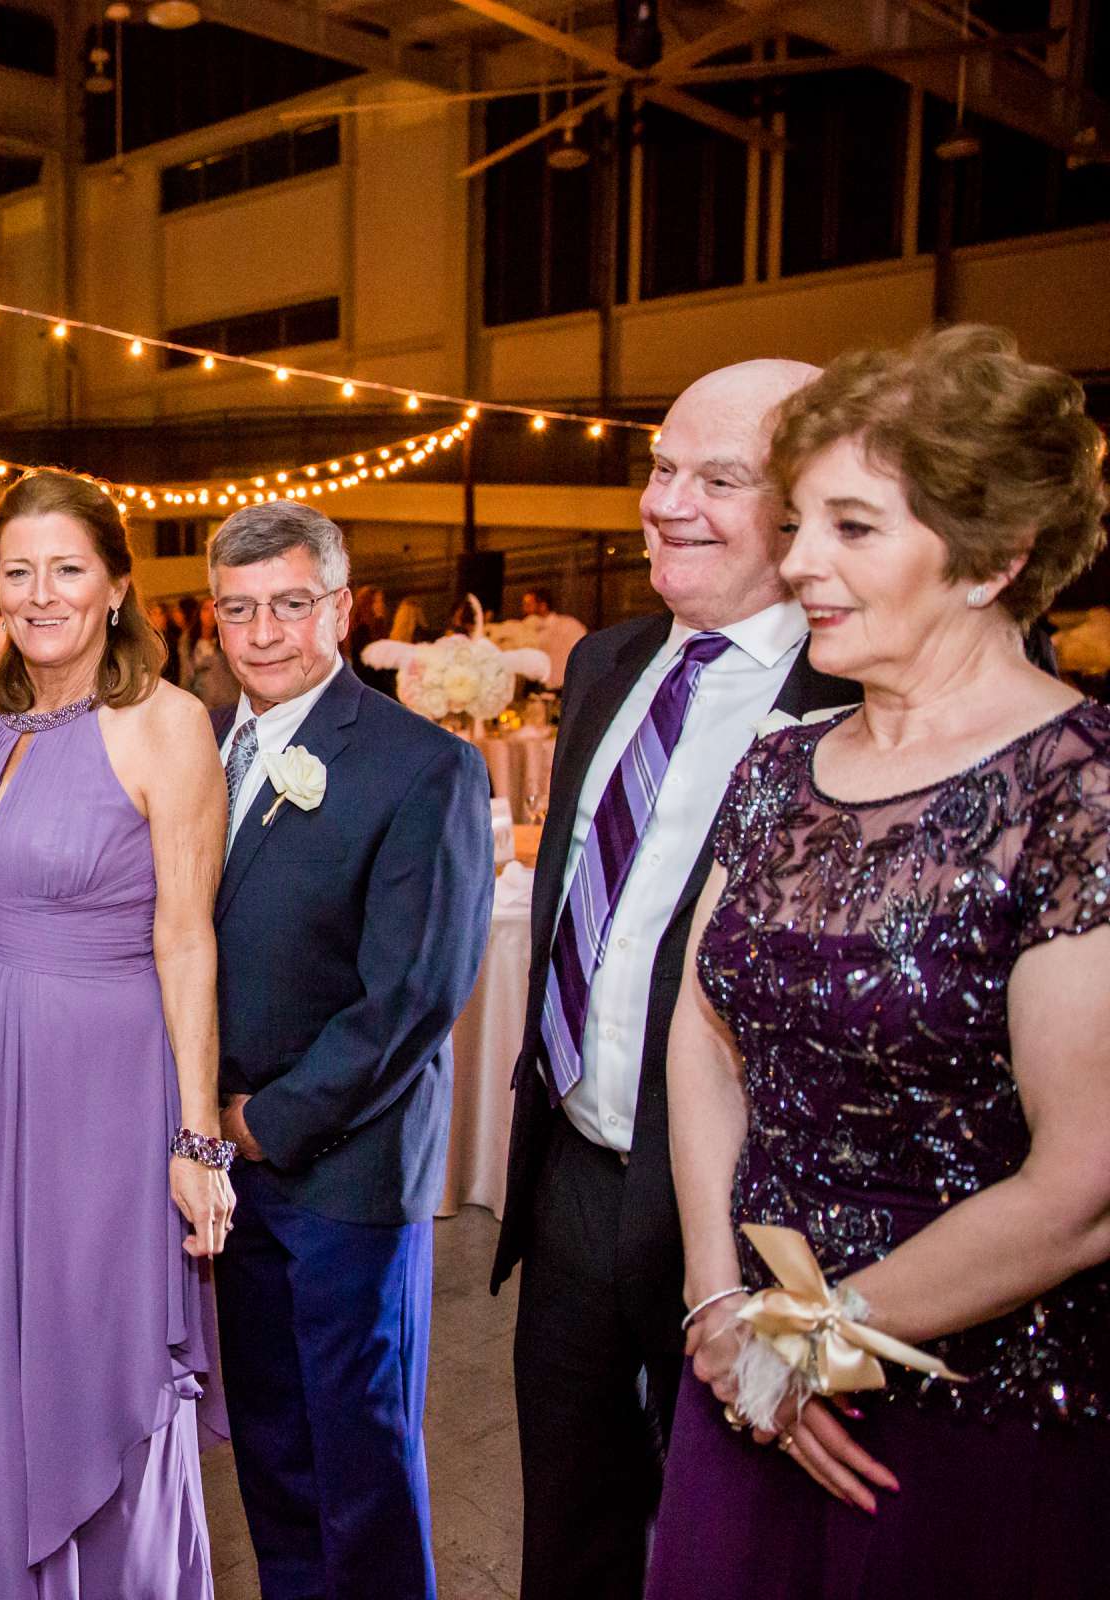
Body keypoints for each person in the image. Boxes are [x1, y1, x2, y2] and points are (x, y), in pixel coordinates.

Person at [648, 327, 1110, 1598]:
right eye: (797, 523)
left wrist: (819, 1339)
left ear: (995, 556)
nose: (797, 564)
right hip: (742, 1370)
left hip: (972, 1396)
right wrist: (714, 1306)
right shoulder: (780, 769)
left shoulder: (1081, 793)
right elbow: (701, 1028)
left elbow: (1083, 1186)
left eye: (852, 528)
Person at [488, 358, 856, 1600]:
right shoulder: (607, 663)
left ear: (804, 508)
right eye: (659, 468)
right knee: (572, 1542)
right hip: (576, 1186)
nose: (666, 502)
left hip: (749, 1213)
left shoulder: (852, 698)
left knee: (733, 1554)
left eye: (718, 478)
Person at [0, 470, 231, 1598]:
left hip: (102, 1086)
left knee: (83, 1351)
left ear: (119, 585)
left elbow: (187, 942)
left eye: (68, 569)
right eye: (19, 571)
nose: (41, 595)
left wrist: (195, 1141)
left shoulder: (169, 726)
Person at [206, 502, 493, 1600]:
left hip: (346, 1170)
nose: (264, 632)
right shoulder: (204, 743)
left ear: (339, 605)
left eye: (289, 604)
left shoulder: (421, 766)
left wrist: (266, 1122)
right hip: (227, 1174)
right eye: (239, 610)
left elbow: (414, 993)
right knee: (272, 1450)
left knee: (360, 1458)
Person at [522, 585, 590, 687]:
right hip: (541, 689)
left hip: (563, 688)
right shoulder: (527, 629)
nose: (524, 609)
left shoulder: (569, 625)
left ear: (543, 606)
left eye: (528, 605)